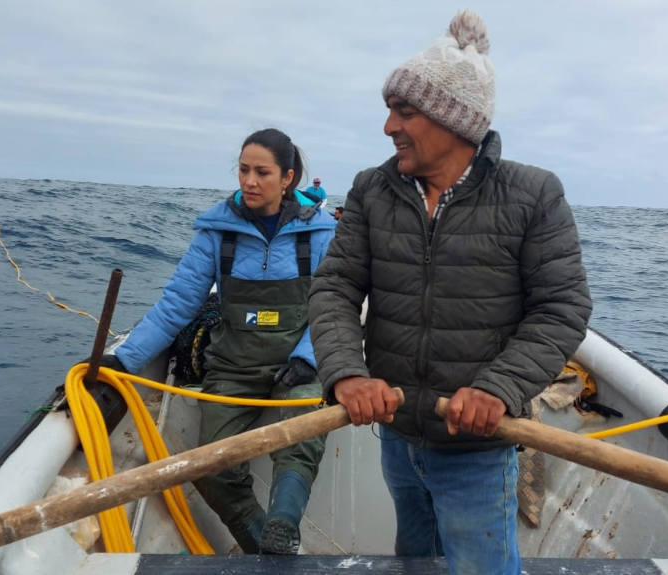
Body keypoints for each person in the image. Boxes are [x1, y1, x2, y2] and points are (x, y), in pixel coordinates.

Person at [308, 10, 591, 575]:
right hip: (397, 436)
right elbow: (336, 286)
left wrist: (498, 386)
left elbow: (562, 308)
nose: (389, 127)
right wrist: (346, 372)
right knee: (416, 559)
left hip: (478, 448)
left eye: (404, 111)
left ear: (453, 119)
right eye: (390, 110)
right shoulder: (371, 189)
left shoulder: (533, 194)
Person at [110, 128, 337, 554]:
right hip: (233, 367)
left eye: (262, 172)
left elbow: (334, 308)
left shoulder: (321, 234)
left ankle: (284, 524)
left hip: (298, 363)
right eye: (244, 170)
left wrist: (308, 358)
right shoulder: (216, 232)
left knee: (303, 434)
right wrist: (123, 363)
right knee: (209, 466)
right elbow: (176, 304)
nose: (249, 181)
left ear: (287, 178)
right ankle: (264, 545)